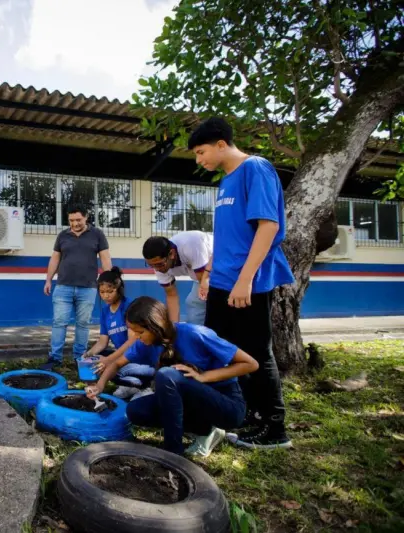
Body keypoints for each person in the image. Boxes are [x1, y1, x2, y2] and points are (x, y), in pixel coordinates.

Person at [190, 117, 295, 449]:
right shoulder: (225, 182)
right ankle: (246, 414)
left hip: (247, 282)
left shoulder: (256, 168)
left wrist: (245, 279)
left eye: (201, 151)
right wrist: (210, 276)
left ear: (222, 144)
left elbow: (267, 227)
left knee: (256, 352)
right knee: (221, 349)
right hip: (222, 281)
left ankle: (275, 428)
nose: (199, 159)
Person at [86, 296, 258, 457]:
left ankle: (173, 453)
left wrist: (204, 376)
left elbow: (250, 364)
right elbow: (116, 364)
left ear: (154, 326)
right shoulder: (146, 343)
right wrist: (100, 386)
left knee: (166, 375)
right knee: (135, 410)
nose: (136, 338)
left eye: (139, 332)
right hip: (191, 403)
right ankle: (205, 429)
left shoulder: (195, 333)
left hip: (226, 404)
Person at [42, 205, 112, 370]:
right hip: (63, 287)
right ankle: (54, 358)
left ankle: (80, 358)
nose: (75, 224)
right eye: (71, 220)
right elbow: (55, 259)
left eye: (78, 220)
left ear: (86, 217)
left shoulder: (97, 234)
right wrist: (48, 280)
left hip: (88, 288)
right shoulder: (63, 235)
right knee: (59, 322)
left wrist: (108, 282)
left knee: (83, 324)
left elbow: (105, 259)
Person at [82, 267, 155, 399]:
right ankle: (129, 386)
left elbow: (132, 341)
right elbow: (102, 342)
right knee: (95, 361)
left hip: (140, 359)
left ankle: (144, 388)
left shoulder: (129, 307)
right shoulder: (105, 311)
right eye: (102, 292)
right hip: (124, 357)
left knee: (110, 367)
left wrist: (108, 360)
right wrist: (87, 355)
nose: (106, 295)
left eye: (110, 291)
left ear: (119, 289)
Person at [142, 231, 213, 325]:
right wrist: (173, 328)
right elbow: (171, 295)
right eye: (151, 265)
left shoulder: (190, 245)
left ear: (171, 254)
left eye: (159, 265)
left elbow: (204, 282)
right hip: (201, 276)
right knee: (194, 304)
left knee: (202, 302)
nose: (157, 269)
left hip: (220, 266)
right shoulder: (159, 263)